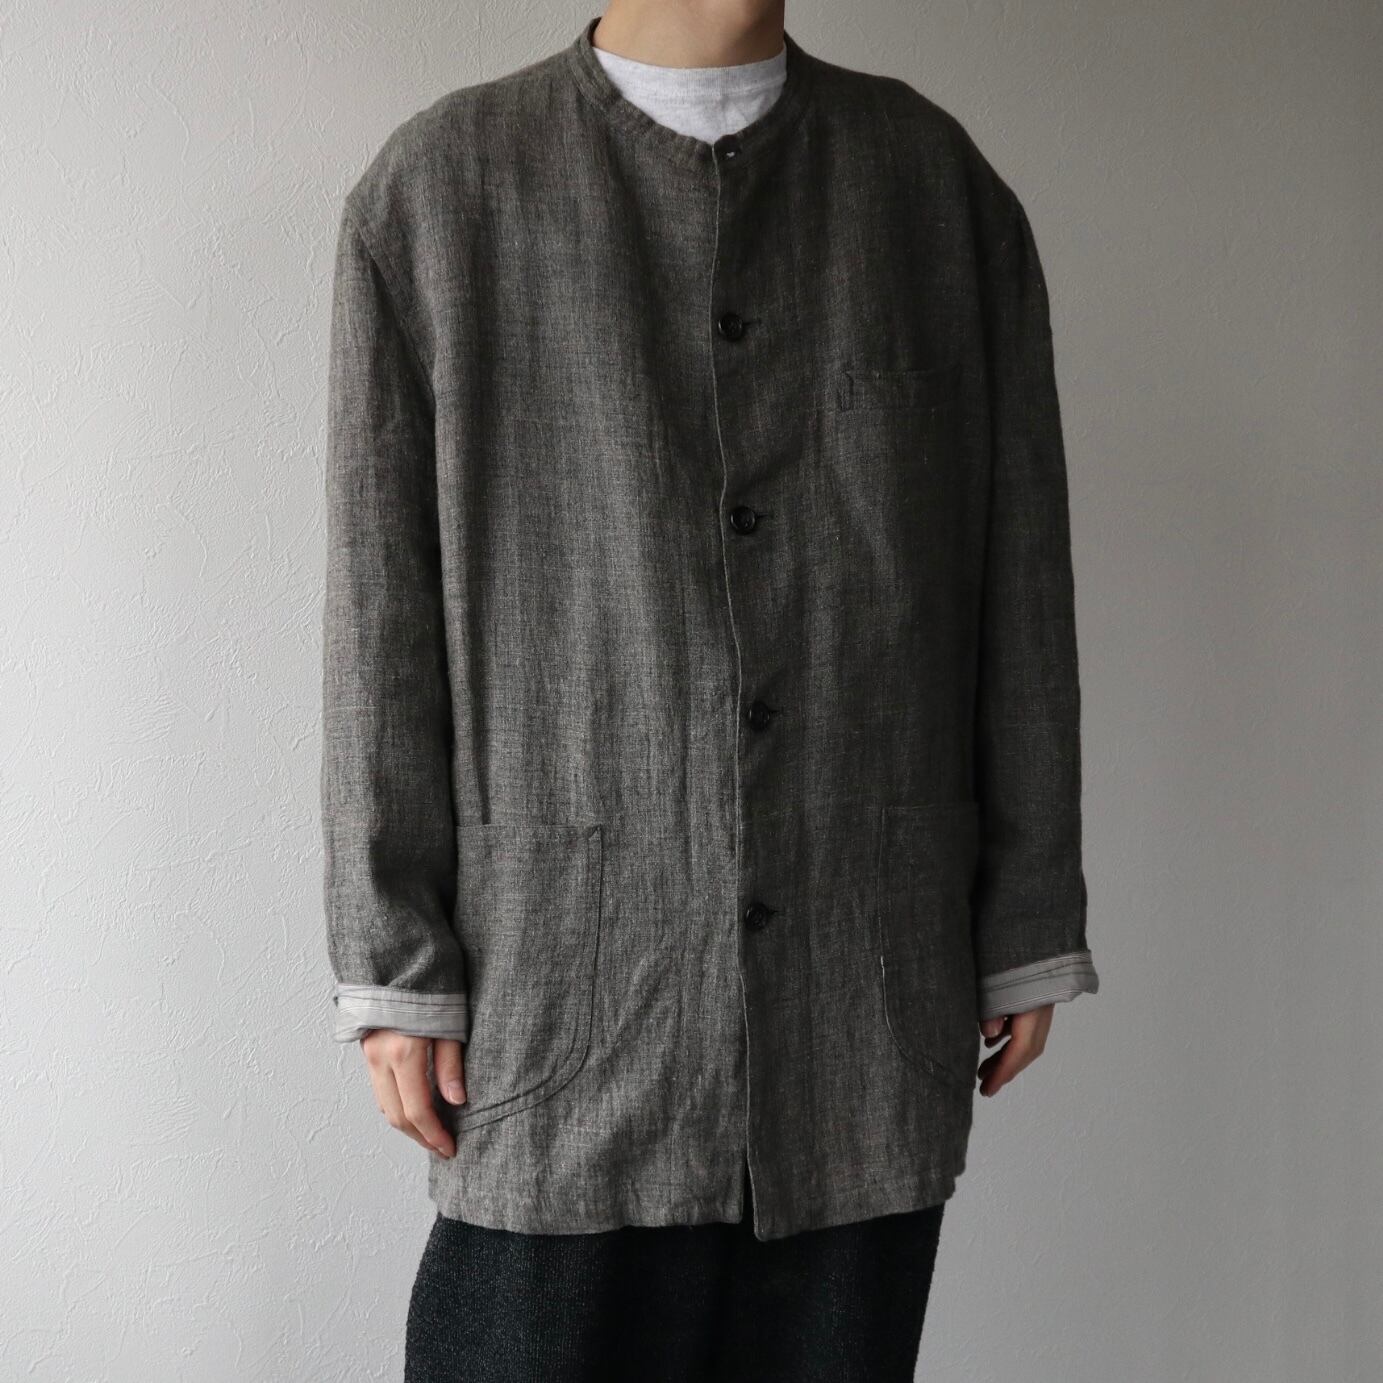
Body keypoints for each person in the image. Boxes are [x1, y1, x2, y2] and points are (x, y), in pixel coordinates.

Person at [320, 3, 1100, 1378]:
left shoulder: (932, 186)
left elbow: (1019, 577)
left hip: (861, 985)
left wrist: (1026, 910)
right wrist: (395, 960)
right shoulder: (442, 191)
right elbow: (383, 608)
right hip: (560, 995)